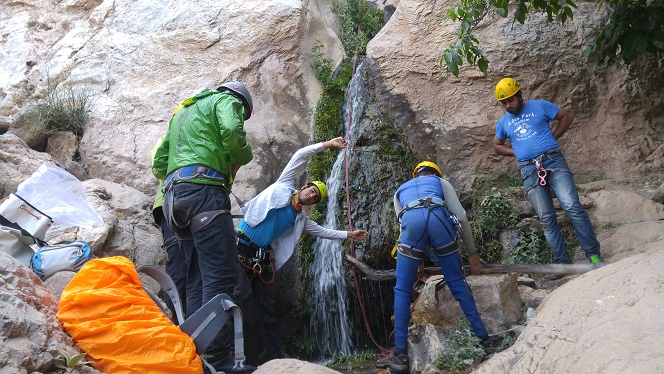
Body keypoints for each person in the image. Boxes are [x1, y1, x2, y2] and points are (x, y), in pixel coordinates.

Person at [152, 81, 255, 373]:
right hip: (204, 193)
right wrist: (243, 155)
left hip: (174, 197)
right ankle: (218, 357)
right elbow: (233, 133)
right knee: (221, 276)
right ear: (241, 101)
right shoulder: (226, 101)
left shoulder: (182, 112)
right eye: (244, 113)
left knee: (197, 278)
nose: (242, 117)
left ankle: (194, 354)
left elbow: (159, 163)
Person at [236, 136, 368, 361]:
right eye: (312, 191)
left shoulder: (300, 220)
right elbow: (299, 156)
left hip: (261, 258)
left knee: (266, 308)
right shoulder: (284, 185)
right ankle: (228, 351)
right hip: (241, 245)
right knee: (236, 297)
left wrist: (349, 234)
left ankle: (275, 355)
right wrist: (327, 145)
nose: (311, 195)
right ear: (304, 186)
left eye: (315, 197)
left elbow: (324, 232)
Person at [376, 161, 495, 373]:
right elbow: (461, 216)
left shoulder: (401, 190)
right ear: (435, 173)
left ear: (415, 175)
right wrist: (472, 254)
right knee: (457, 282)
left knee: (402, 290)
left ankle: (400, 355)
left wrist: (418, 260)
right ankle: (486, 342)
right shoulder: (439, 182)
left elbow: (407, 224)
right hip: (438, 220)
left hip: (411, 224)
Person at [492, 77, 603, 277]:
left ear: (519, 95)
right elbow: (497, 145)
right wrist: (516, 152)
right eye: (504, 103)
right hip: (528, 170)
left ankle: (594, 256)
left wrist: (553, 138)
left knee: (572, 206)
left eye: (511, 100)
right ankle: (562, 264)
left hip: (553, 161)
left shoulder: (540, 106)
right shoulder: (504, 122)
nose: (508, 105)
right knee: (546, 218)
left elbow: (566, 117)